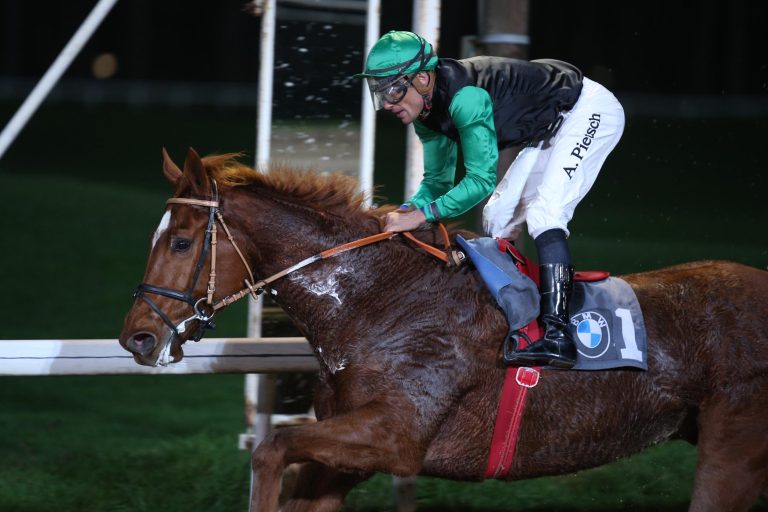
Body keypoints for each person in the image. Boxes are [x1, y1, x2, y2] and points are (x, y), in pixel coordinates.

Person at [356, 30, 625, 369]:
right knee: (497, 218)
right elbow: (437, 182)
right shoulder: (425, 116)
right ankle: (523, 323)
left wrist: (420, 216)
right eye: (379, 93)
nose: (388, 104)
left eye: (393, 89)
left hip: (587, 110)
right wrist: (406, 210)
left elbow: (481, 182)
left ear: (423, 79)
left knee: (545, 213)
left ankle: (559, 337)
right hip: (551, 128)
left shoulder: (465, 98)